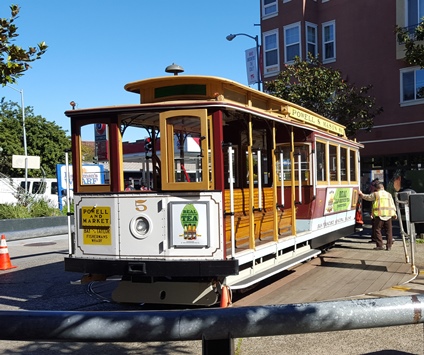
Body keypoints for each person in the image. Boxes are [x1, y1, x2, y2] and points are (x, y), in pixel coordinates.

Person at [359, 183, 397, 251]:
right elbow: (392, 204)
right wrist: (394, 213)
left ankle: (380, 245)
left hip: (379, 215)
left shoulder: (376, 194)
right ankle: (389, 246)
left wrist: (361, 194)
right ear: (383, 187)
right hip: (388, 214)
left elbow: (368, 197)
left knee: (377, 230)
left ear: (376, 189)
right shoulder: (389, 194)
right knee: (389, 231)